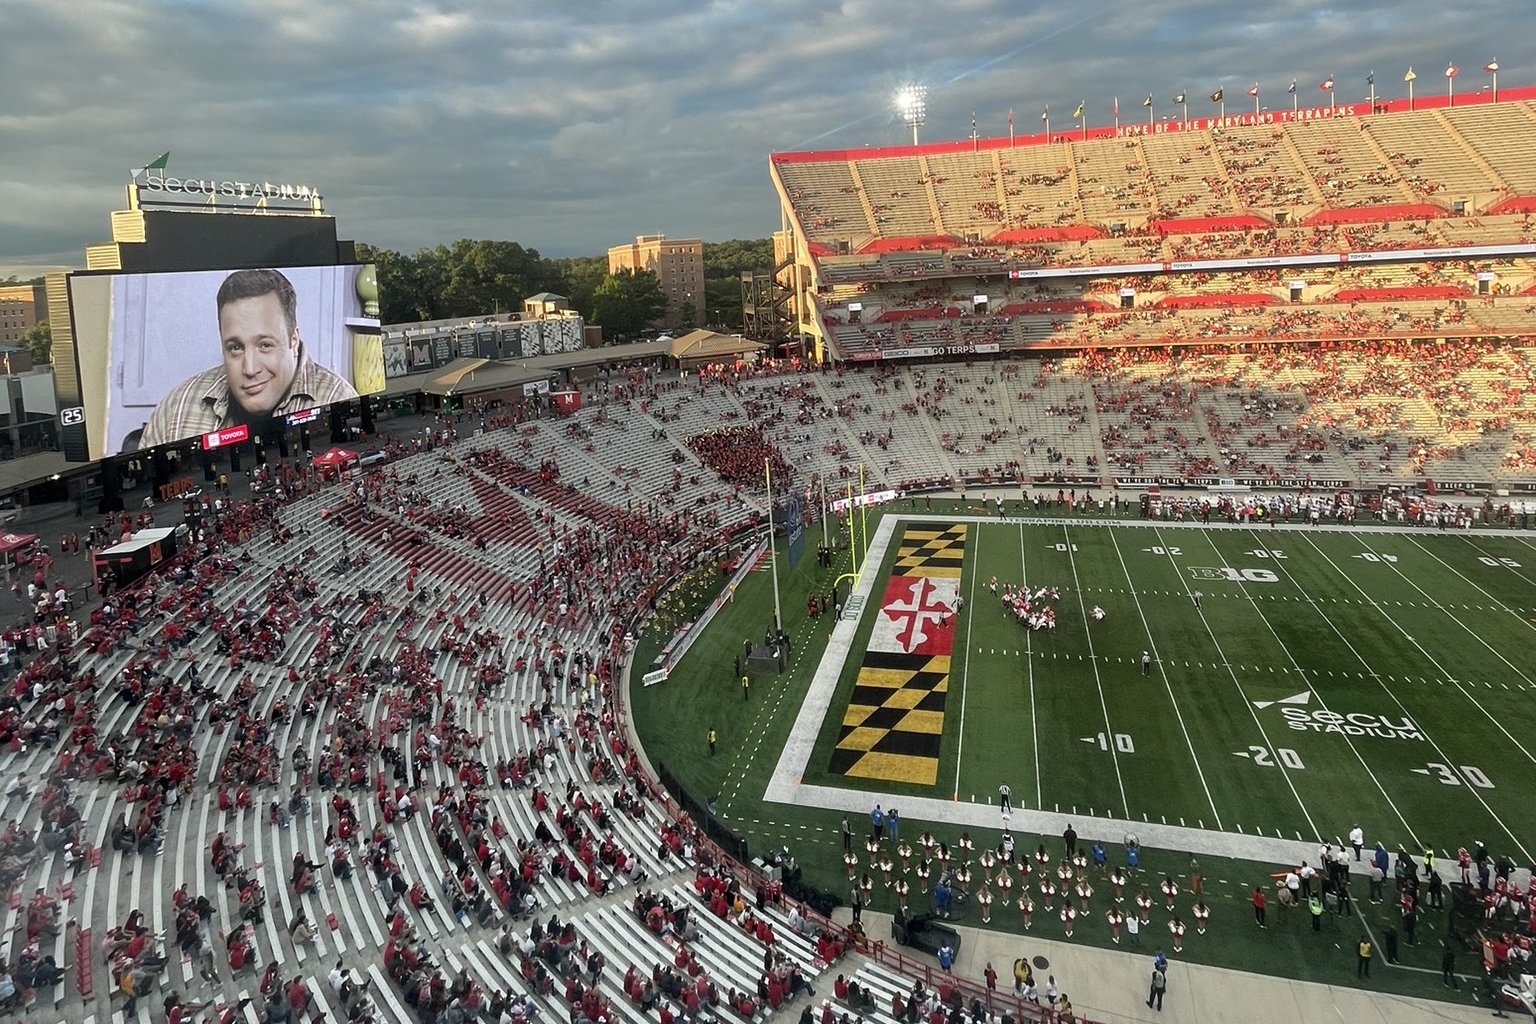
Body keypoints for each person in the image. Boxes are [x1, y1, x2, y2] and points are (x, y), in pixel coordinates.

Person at [136, 269, 359, 451]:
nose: (250, 369)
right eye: (235, 347)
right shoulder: (176, 406)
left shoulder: (339, 399)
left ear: (294, 340)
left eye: (265, 345)